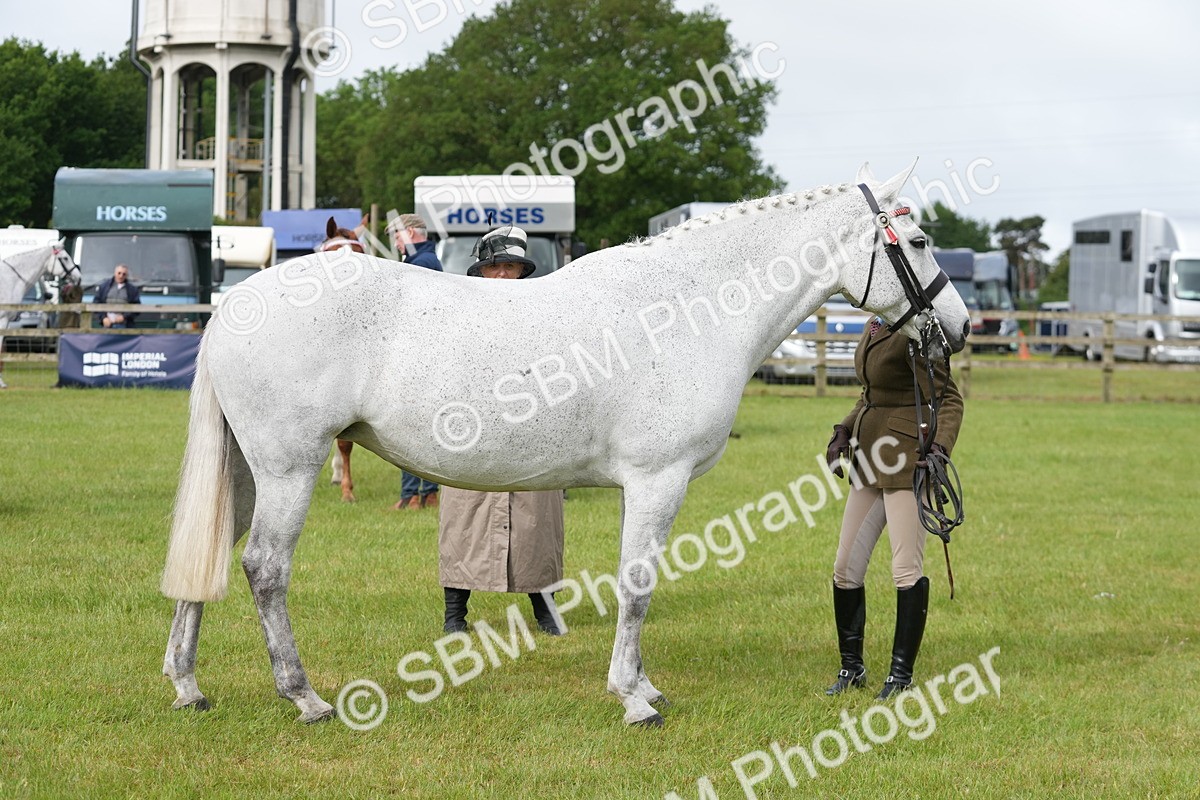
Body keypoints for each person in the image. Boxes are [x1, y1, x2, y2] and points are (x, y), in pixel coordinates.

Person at [824, 315, 963, 699]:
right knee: (845, 567)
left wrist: (940, 446)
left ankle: (900, 676)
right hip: (869, 460)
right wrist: (844, 428)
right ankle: (851, 669)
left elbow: (948, 397)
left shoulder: (919, 328)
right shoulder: (875, 322)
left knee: (905, 569)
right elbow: (872, 394)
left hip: (907, 460)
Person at [438, 225, 565, 636]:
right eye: (497, 268)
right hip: (472, 429)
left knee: (537, 523)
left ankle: (545, 613)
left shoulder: (545, 314)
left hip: (531, 431)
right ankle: (454, 617)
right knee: (463, 518)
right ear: (481, 271)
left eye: (512, 267)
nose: (505, 276)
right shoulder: (458, 315)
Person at [390, 213, 444, 510]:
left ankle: (414, 494)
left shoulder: (420, 264)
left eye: (398, 236)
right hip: (426, 353)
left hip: (419, 355)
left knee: (410, 429)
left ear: (411, 233)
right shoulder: (424, 260)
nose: (396, 243)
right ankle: (421, 493)